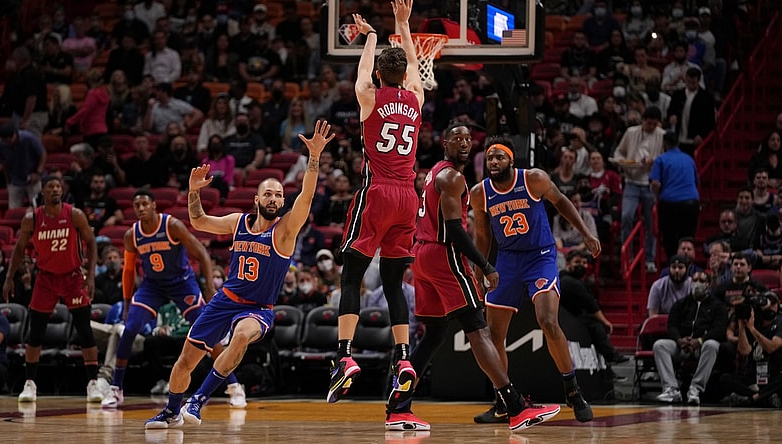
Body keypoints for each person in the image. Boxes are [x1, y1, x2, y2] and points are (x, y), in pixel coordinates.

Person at [144, 119, 334, 428]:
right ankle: (171, 411)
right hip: (224, 300)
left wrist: (313, 157)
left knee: (242, 336)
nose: (274, 199)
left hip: (258, 309)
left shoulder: (286, 230)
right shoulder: (238, 222)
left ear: (283, 202)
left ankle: (198, 401)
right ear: (257, 199)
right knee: (184, 363)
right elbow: (200, 222)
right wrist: (194, 192)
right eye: (268, 194)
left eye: (278, 195)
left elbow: (308, 196)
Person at [407, 124, 561, 431]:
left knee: (435, 334)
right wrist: (485, 266)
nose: (464, 143)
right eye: (456, 139)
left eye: (467, 139)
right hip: (442, 254)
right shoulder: (452, 176)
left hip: (421, 255)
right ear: (444, 144)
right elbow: (454, 229)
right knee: (478, 329)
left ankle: (398, 403)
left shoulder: (434, 172)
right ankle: (514, 406)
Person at [326, 3, 426, 431]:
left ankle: (344, 355)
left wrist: (369, 37)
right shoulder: (416, 99)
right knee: (392, 284)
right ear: (404, 75)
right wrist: (402, 25)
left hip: (378, 191)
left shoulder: (370, 96)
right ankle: (403, 359)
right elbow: (415, 73)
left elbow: (361, 78)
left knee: (350, 276)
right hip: (409, 196)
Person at [470, 137, 601, 423]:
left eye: (499, 157)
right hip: (506, 260)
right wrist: (479, 272)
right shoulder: (480, 193)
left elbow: (562, 202)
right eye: (490, 157)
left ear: (511, 161)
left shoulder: (533, 179)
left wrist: (586, 234)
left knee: (547, 320)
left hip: (539, 256)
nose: (493, 162)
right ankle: (504, 401)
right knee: (493, 336)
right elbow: (482, 236)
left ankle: (573, 390)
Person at [100, 188, 242, 409]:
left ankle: (234, 386)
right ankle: (116, 389)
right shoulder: (132, 235)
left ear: (154, 205)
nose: (140, 209)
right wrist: (127, 304)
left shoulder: (172, 225)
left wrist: (207, 288)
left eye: (145, 204)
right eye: (136, 205)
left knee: (207, 332)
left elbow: (202, 254)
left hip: (181, 282)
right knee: (129, 329)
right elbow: (128, 271)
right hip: (153, 286)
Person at [2, 176, 102, 403]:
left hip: (73, 277)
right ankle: (30, 384)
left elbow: (92, 242)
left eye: (58, 187)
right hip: (46, 278)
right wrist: (9, 278)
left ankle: (93, 383)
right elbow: (18, 250)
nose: (55, 190)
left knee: (84, 330)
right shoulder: (32, 219)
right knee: (35, 332)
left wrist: (92, 275)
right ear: (43, 192)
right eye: (51, 187)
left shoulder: (74, 214)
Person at [652, 274, 727, 405]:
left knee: (712, 345)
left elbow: (718, 330)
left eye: (702, 281)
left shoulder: (718, 305)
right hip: (681, 346)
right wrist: (679, 340)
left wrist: (699, 341)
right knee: (660, 345)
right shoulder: (680, 304)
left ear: (708, 284)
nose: (697, 283)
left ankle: (695, 388)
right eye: (695, 280)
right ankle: (671, 389)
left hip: (701, 347)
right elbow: (672, 326)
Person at [612, 106, 665, 273]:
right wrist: (623, 162)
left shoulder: (662, 135)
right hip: (632, 181)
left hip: (650, 183)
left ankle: (650, 258)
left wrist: (653, 160)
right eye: (649, 123)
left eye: (654, 124)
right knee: (626, 216)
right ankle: (628, 257)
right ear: (643, 120)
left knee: (651, 223)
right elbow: (618, 152)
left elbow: (665, 158)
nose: (651, 126)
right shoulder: (631, 132)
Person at [559, 249, 628, 367]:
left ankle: (605, 368)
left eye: (584, 263)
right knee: (596, 325)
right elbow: (591, 306)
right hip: (567, 319)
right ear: (568, 264)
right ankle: (611, 356)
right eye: (577, 262)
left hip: (570, 316)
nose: (582, 266)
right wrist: (605, 321)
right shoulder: (570, 282)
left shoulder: (572, 280)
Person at [650, 130, 700, 261]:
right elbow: (696, 182)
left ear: (665, 144)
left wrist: (657, 195)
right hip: (691, 203)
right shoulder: (689, 158)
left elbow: (655, 183)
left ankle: (674, 266)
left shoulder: (661, 159)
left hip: (670, 203)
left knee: (670, 238)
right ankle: (688, 265)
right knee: (688, 237)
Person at [0, 123, 46, 209]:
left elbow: (42, 154)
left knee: (37, 207)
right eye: (6, 141)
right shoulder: (1, 145)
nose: (9, 142)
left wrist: (38, 172)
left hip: (32, 177)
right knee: (13, 209)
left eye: (10, 139)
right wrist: (8, 181)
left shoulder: (29, 138)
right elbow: (4, 163)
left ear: (15, 134)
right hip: (15, 179)